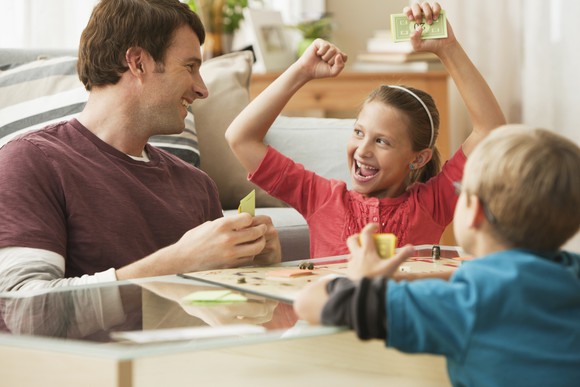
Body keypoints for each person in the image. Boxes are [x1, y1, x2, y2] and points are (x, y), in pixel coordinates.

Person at [0, 0, 281, 294]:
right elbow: (25, 310)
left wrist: (258, 269)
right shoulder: (32, 161)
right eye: (190, 67)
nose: (202, 89)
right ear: (137, 63)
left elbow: (222, 305)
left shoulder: (197, 186)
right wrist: (177, 262)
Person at [293, 125, 580, 386]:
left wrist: (362, 280)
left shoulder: (462, 305)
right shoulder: (571, 272)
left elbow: (310, 303)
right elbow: (503, 284)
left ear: (474, 211)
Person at [225, 2, 505, 259]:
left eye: (382, 141)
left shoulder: (432, 203)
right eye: (359, 132)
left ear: (418, 158)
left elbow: (491, 131)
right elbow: (240, 138)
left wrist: (449, 49)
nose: (363, 150)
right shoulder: (320, 197)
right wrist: (301, 71)